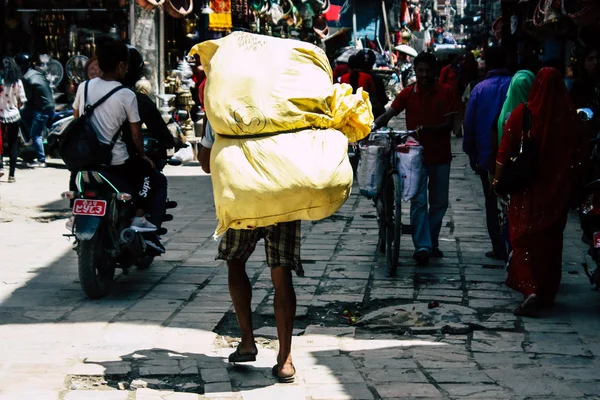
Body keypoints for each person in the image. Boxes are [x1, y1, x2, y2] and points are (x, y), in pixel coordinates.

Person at [199, 121, 301, 383]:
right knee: (281, 271)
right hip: (283, 196)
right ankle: (285, 359)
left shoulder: (224, 99)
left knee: (235, 260)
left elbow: (205, 163)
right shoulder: (285, 95)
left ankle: (247, 341)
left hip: (243, 195)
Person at [494, 68, 587, 316]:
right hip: (557, 191)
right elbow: (581, 156)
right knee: (551, 241)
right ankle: (546, 292)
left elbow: (504, 151)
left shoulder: (523, 114)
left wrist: (498, 181)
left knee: (521, 238)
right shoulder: (571, 119)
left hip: (527, 190)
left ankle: (530, 289)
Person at [374, 52, 460, 265]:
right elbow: (390, 113)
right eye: (420, 70)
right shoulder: (408, 92)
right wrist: (372, 126)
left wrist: (426, 129)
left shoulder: (447, 92)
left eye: (428, 70)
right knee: (419, 201)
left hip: (440, 156)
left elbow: (449, 125)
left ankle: (429, 241)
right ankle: (423, 246)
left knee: (439, 203)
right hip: (414, 157)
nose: (424, 74)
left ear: (436, 71)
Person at [70, 37, 157, 232]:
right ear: (121, 65)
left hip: (85, 158)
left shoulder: (84, 87)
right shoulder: (127, 95)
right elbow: (136, 135)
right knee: (147, 171)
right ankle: (139, 216)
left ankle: (74, 214)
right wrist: (143, 156)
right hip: (115, 161)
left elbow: (76, 119)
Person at [463, 46, 512, 260]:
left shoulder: (480, 89)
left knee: (491, 201)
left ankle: (498, 247)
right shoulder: (517, 85)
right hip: (515, 157)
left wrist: (472, 155)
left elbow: (469, 125)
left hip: (488, 158)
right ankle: (515, 245)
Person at [491, 70, 535, 260]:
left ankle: (513, 255)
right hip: (530, 176)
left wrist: (496, 177)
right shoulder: (537, 112)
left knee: (510, 216)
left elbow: (501, 148)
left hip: (509, 173)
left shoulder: (508, 111)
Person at [15, 53, 54, 168]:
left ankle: (41, 159)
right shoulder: (37, 73)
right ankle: (32, 147)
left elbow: (27, 98)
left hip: (42, 109)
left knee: (35, 134)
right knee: (24, 115)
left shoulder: (26, 78)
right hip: (49, 106)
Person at [0, 57, 27, 183]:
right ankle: (12, 175)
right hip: (14, 116)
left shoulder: (1, 81)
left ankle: (0, 167)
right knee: (13, 145)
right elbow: (22, 101)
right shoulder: (17, 82)